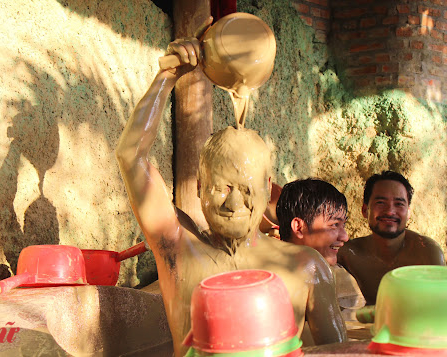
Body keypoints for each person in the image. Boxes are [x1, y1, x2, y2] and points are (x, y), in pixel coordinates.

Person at [115, 20, 346, 357]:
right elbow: (130, 155)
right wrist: (167, 77)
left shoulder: (306, 266)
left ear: (269, 189)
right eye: (222, 188)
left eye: (246, 188)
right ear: (199, 188)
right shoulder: (179, 248)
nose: (235, 201)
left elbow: (337, 352)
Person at [338, 170, 446, 305]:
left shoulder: (427, 253)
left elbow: (438, 309)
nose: (390, 211)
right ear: (365, 210)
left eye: (399, 204)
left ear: (408, 213)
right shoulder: (348, 255)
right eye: (381, 202)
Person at [275, 178, 365, 320]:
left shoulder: (340, 280)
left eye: (343, 225)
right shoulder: (268, 280)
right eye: (334, 225)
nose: (345, 237)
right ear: (299, 227)